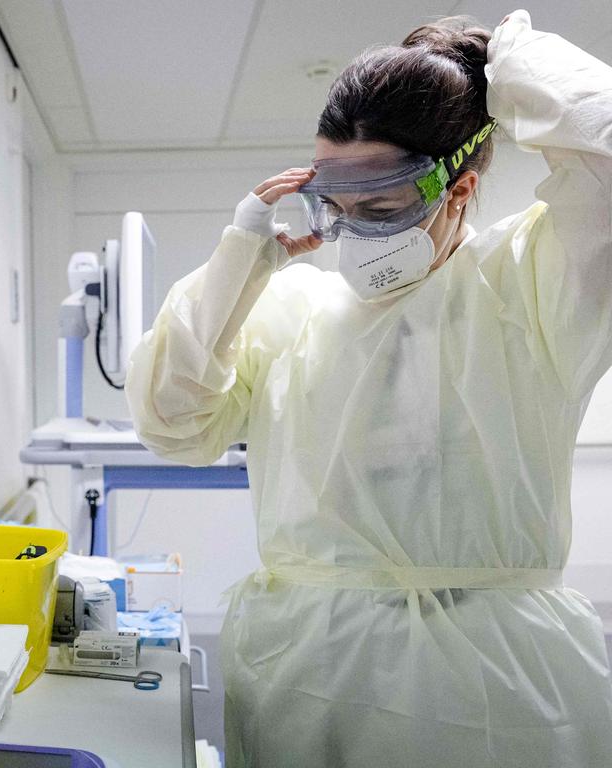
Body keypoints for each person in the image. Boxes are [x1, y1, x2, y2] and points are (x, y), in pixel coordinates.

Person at [126, 10, 612, 767]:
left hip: (495, 688)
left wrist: (506, 59)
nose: (357, 233)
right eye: (337, 208)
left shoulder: (530, 285)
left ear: (460, 187)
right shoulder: (294, 308)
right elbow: (174, 423)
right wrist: (241, 261)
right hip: (308, 678)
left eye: (383, 209)